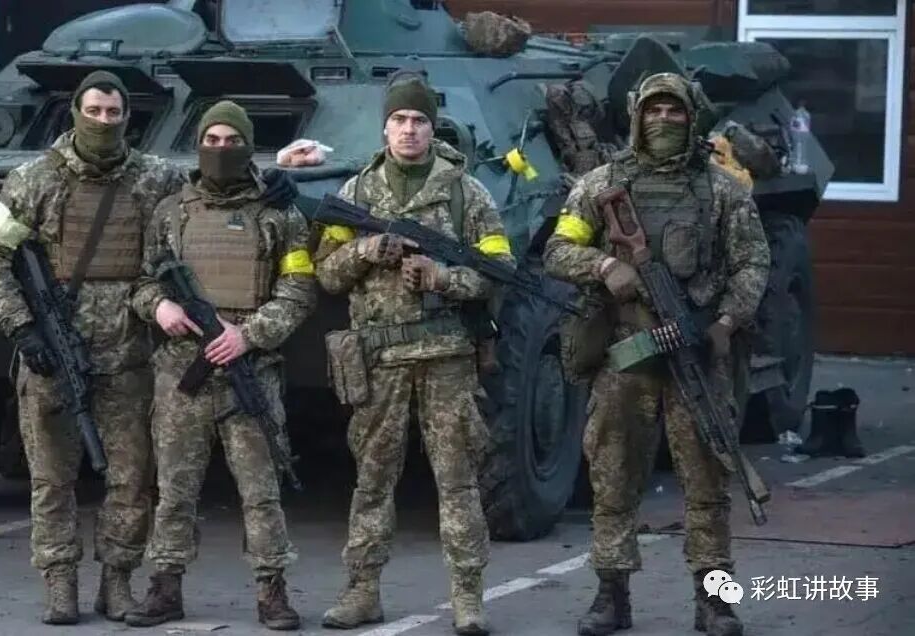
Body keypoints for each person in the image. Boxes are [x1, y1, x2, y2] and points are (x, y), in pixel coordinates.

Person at [543, 72, 770, 636]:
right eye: (653, 110)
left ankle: (714, 601)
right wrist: (603, 265)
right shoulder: (600, 184)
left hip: (698, 352)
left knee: (708, 481)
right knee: (613, 478)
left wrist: (726, 322)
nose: (663, 119)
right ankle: (610, 596)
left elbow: (752, 264)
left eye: (674, 111)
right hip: (627, 353)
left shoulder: (723, 191)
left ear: (692, 117)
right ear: (637, 117)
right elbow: (558, 249)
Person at [0, 71, 184, 625]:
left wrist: (284, 170)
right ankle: (60, 583)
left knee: (131, 480)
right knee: (51, 480)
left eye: (113, 113)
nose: (103, 121)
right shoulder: (34, 179)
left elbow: (211, 195)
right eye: (94, 111)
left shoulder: (156, 179)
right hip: (50, 358)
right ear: (75, 112)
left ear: (127, 116)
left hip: (128, 358)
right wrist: (21, 327)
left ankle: (117, 583)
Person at [313, 72, 514, 636]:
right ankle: (362, 591)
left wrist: (443, 278)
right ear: (385, 128)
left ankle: (468, 598)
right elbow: (326, 273)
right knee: (372, 480)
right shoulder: (355, 194)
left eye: (419, 120)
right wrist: (367, 251)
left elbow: (500, 270)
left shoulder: (466, 193)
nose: (409, 130)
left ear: (433, 128)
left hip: (446, 355)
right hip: (379, 358)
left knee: (458, 481)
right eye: (399, 120)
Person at [124, 100, 316, 631]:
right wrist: (159, 308)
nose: (221, 149)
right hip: (181, 373)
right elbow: (143, 280)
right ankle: (164, 587)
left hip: (248, 371)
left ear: (249, 146)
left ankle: (272, 590)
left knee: (261, 492)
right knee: (174, 491)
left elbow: (299, 290)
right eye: (212, 140)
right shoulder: (171, 212)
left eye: (232, 141)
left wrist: (247, 336)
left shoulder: (280, 215)